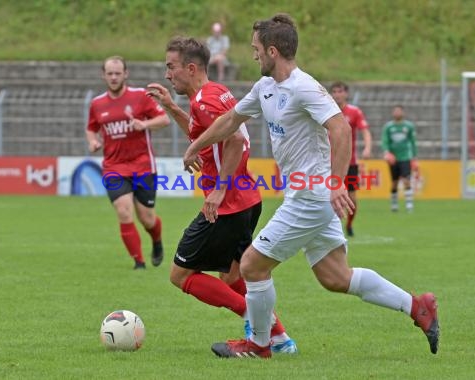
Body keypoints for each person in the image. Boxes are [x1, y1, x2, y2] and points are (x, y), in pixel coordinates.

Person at [183, 13, 439, 359]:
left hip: (311, 195)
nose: (253, 54)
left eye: (256, 49)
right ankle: (417, 306)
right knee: (336, 277)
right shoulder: (265, 88)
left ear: (272, 51)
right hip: (308, 195)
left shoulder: (304, 87)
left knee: (251, 266)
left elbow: (341, 129)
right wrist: (196, 145)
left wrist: (335, 183)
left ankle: (260, 345)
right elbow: (230, 120)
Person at [147, 37, 297, 353]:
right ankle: (280, 339)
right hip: (245, 201)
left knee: (180, 274)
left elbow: (234, 141)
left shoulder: (206, 101)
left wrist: (218, 189)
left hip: (226, 205)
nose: (167, 75)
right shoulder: (211, 94)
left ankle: (253, 321)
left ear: (190, 68)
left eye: (171, 67)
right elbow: (209, 135)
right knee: (233, 277)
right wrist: (172, 108)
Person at [86, 56, 170, 269]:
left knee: (147, 218)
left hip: (142, 165)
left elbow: (164, 120)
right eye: (109, 73)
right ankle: (139, 262)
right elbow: (91, 128)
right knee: (124, 211)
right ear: (103, 75)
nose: (113, 77)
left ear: (126, 74)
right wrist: (93, 141)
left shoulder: (141, 96)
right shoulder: (97, 103)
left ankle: (157, 241)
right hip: (114, 167)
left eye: (117, 73)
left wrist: (144, 124)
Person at [330, 81, 372, 237]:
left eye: (340, 91)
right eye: (334, 91)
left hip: (350, 163)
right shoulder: (326, 111)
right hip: (329, 163)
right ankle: (333, 228)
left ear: (346, 93)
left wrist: (367, 148)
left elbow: (365, 131)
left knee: (352, 199)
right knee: (328, 197)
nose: (337, 94)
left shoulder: (354, 112)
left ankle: (349, 224)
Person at [381, 105, 418, 212]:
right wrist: (387, 152)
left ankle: (409, 205)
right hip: (393, 158)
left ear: (403, 113)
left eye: (399, 111)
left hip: (405, 157)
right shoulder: (388, 127)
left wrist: (414, 157)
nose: (397, 113)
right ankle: (394, 204)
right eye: (395, 111)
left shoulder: (409, 126)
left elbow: (413, 142)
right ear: (393, 113)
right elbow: (385, 141)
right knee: (394, 182)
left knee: (406, 180)